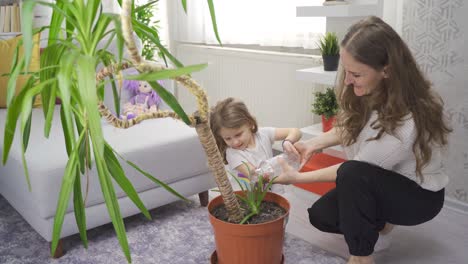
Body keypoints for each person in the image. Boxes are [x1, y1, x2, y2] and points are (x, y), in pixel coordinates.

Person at [274, 16, 452, 264]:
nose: (347, 80)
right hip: (378, 178)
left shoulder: (410, 119)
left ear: (386, 70)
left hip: (419, 197)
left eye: (355, 73)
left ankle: (361, 257)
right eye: (346, 70)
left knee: (353, 175)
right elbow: (352, 127)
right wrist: (313, 144)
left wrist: (297, 178)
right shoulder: (372, 89)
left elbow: (357, 169)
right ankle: (381, 224)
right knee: (321, 216)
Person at [210, 97, 302, 191]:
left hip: (270, 190)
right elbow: (256, 176)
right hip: (247, 198)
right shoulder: (232, 153)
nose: (235, 142)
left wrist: (288, 142)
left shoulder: (263, 134)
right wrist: (281, 169)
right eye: (228, 138)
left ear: (249, 123)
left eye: (238, 134)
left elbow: (296, 131)